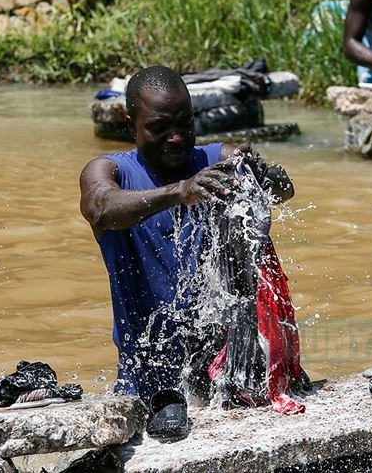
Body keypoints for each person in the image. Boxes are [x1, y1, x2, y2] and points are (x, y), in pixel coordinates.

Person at [79, 66, 294, 404]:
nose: (176, 137)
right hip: (148, 383)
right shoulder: (111, 172)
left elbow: (284, 191)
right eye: (160, 127)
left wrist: (262, 173)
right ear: (130, 127)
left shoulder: (216, 160)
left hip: (226, 375)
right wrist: (180, 191)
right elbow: (101, 207)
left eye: (185, 123)